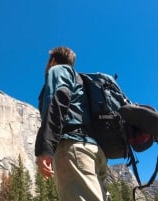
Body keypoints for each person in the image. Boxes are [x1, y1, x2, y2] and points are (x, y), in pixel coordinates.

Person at [35, 47, 108, 201]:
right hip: (94, 152)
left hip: (73, 148)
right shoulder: (80, 81)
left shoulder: (58, 70)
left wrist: (45, 148)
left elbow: (56, 103)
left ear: (52, 61)